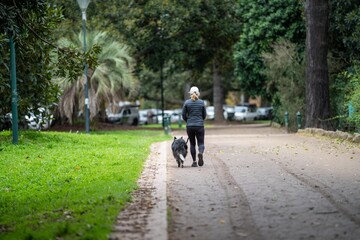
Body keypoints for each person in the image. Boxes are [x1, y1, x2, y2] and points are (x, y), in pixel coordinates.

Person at [182, 86, 207, 167]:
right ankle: (200, 153)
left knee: (192, 144)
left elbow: (183, 115)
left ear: (190, 93)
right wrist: (200, 120)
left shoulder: (186, 103)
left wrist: (188, 121)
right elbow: (204, 115)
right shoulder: (202, 102)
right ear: (198, 93)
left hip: (190, 126)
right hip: (200, 125)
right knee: (201, 143)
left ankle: (194, 162)